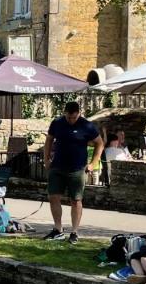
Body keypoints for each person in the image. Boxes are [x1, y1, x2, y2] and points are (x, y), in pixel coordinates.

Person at [43, 102, 102, 244]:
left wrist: (93, 163)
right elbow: (49, 139)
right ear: (65, 113)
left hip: (77, 168)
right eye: (69, 117)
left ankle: (74, 232)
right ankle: (58, 229)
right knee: (53, 197)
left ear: (79, 114)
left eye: (74, 117)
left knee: (76, 200)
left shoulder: (87, 126)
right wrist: (46, 159)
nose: (71, 120)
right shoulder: (57, 123)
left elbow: (100, 143)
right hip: (57, 167)